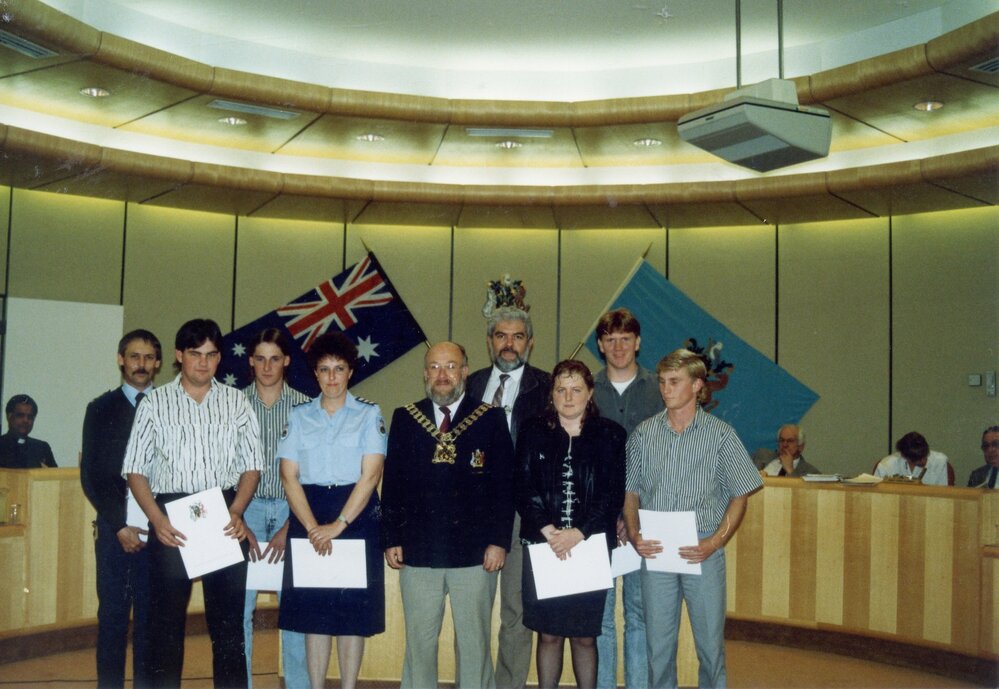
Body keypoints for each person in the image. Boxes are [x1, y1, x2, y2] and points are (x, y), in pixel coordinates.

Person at [123, 318, 264, 689]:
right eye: (196, 354)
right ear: (178, 356)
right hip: (172, 517)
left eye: (212, 355)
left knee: (228, 626)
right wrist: (156, 519)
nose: (204, 363)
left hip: (224, 513)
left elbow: (252, 467)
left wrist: (237, 511)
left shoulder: (237, 402)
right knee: (165, 626)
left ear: (220, 358)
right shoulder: (154, 402)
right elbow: (135, 469)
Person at [624, 348, 763, 689]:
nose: (665, 389)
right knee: (658, 647)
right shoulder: (643, 434)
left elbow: (740, 494)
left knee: (710, 647)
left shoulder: (721, 435)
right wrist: (634, 532)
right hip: (655, 547)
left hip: (702, 544)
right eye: (661, 381)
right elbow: (631, 493)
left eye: (674, 381)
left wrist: (714, 542)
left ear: (698, 385)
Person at [381, 341, 515, 689]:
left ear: (465, 372)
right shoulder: (406, 418)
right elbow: (393, 482)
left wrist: (499, 541)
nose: (443, 375)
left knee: (474, 645)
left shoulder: (490, 418)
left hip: (474, 554)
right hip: (419, 552)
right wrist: (392, 536)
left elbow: (504, 486)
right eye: (435, 367)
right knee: (420, 645)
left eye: (451, 366)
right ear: (425, 373)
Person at [278, 332, 387, 689]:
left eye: (339, 368)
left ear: (350, 371)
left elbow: (370, 476)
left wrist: (338, 524)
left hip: (354, 515)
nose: (332, 377)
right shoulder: (298, 416)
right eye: (324, 369)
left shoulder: (369, 414)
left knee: (352, 614)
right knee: (315, 614)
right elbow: (289, 476)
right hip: (309, 511)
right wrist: (312, 527)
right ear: (315, 373)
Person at [516, 360, 626, 689]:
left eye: (576, 389)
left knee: (584, 638)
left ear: (590, 393)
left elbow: (612, 494)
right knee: (547, 635)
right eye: (561, 389)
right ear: (551, 394)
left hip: (589, 547)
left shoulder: (610, 435)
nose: (568, 396)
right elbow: (522, 487)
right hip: (543, 546)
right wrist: (549, 532)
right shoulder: (532, 430)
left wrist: (578, 533)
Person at [465, 306, 550, 689]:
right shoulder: (468, 384)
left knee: (514, 610)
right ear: (489, 342)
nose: (509, 344)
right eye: (501, 335)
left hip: (520, 513)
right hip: (471, 512)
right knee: (472, 608)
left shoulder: (547, 388)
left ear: (530, 342)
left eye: (518, 337)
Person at [80, 329, 161, 688]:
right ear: (120, 359)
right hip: (116, 533)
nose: (140, 365)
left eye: (147, 358)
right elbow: (91, 475)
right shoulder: (99, 408)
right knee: (112, 619)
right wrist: (118, 525)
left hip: (159, 533)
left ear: (158, 363)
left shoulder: (170, 406)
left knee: (151, 622)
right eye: (134, 356)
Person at [591, 308, 661, 689]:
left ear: (638, 342)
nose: (618, 347)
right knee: (601, 619)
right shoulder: (587, 389)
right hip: (598, 522)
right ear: (600, 345)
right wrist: (610, 512)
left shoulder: (659, 388)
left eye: (625, 339)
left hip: (645, 521)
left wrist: (631, 514)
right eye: (610, 340)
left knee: (638, 615)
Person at [241, 328, 310, 689]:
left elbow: (310, 472)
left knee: (295, 612)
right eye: (260, 358)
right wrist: (236, 519)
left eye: (275, 358)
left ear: (286, 361)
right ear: (251, 361)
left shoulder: (305, 407)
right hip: (245, 512)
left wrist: (292, 525)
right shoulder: (233, 403)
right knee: (240, 611)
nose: (267, 366)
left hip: (290, 510)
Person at [873, 431, 954, 485]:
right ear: (905, 456)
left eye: (925, 455)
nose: (924, 461)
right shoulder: (886, 466)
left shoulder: (939, 462)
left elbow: (943, 493)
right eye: (918, 459)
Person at [0, 394, 57, 468]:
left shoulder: (42, 448)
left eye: (30, 417)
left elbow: (55, 476)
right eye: (20, 415)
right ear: (9, 417)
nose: (25, 420)